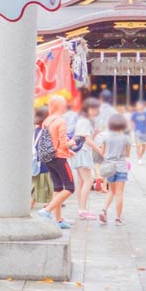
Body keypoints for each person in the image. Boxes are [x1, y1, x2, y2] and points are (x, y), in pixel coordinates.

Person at [37, 95, 74, 228]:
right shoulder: (60, 121)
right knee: (70, 188)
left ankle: (59, 220)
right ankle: (47, 211)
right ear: (62, 106)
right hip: (59, 158)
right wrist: (73, 143)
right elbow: (63, 143)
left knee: (58, 188)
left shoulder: (47, 120)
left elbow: (52, 142)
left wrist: (68, 151)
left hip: (49, 158)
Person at [96, 112, 132, 224]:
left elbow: (102, 153)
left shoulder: (106, 137)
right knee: (119, 193)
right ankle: (118, 218)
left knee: (111, 191)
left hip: (109, 167)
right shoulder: (126, 138)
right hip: (121, 167)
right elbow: (127, 154)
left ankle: (104, 210)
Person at [69, 98, 102, 220]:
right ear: (87, 108)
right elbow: (88, 140)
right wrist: (100, 151)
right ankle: (82, 210)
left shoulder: (86, 120)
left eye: (96, 108)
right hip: (82, 152)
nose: (95, 111)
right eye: (93, 108)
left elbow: (88, 137)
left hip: (80, 152)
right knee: (88, 180)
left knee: (82, 181)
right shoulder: (85, 121)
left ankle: (82, 209)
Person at [31, 106, 53, 207]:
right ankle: (47, 204)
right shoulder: (44, 131)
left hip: (37, 161)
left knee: (37, 184)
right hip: (42, 162)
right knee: (40, 185)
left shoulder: (36, 130)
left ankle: (49, 203)